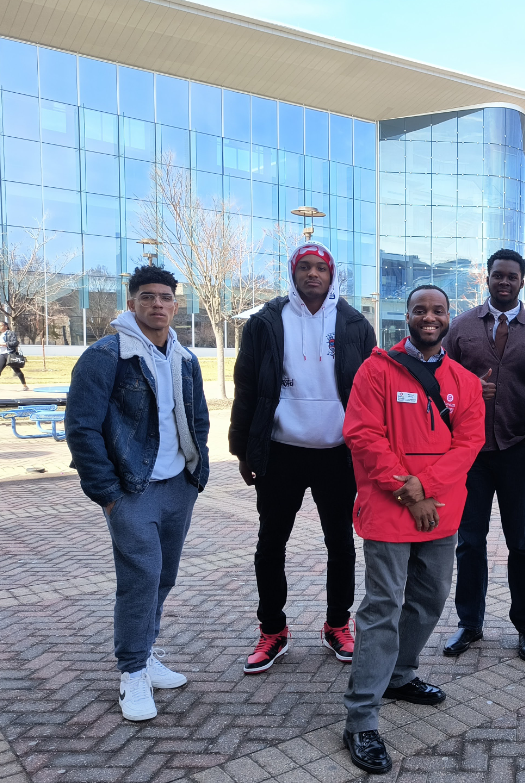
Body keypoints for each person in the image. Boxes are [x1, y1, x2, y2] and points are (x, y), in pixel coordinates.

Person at [341, 285, 485, 774]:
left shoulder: (463, 381)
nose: (429, 317)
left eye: (438, 310)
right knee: (383, 607)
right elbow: (362, 434)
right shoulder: (376, 369)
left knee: (430, 598)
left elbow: (468, 445)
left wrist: (425, 487)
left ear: (449, 318)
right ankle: (361, 718)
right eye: (420, 309)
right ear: (406, 316)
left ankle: (400, 675)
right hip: (388, 507)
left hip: (440, 506)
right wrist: (409, 490)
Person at [65, 265, 210, 721]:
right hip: (131, 489)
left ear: (176, 303)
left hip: (177, 487)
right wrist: (107, 492)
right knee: (140, 580)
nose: (158, 304)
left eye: (166, 297)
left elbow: (199, 420)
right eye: (147, 297)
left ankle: (146, 653)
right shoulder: (106, 355)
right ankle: (131, 672)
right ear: (131, 303)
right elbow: (81, 428)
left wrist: (196, 474)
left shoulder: (185, 357)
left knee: (163, 578)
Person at [229, 243, 376, 673]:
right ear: (293, 273)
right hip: (281, 451)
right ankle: (272, 630)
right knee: (271, 544)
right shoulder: (265, 322)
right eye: (305, 267)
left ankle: (336, 624)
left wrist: (368, 451)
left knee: (341, 544)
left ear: (332, 276)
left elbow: (369, 394)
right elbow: (247, 388)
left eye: (321, 268)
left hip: (337, 453)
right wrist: (242, 448)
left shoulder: (353, 323)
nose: (313, 274)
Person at [443, 249, 525, 661]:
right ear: (486, 279)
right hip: (470, 454)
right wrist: (468, 391)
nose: (504, 282)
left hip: (517, 450)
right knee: (469, 542)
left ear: (522, 281)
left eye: (511, 277)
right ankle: (469, 623)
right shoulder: (461, 327)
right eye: (497, 276)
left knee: (522, 543)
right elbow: (441, 385)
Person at [0, 321, 29, 390]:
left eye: (1, 325)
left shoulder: (10, 333)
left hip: (9, 354)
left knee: (17, 370)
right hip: (2, 355)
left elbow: (15, 343)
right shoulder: (1, 334)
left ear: (5, 326)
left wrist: (3, 344)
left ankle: (24, 386)